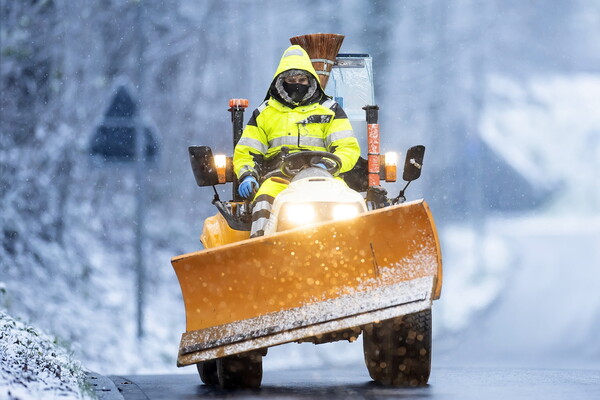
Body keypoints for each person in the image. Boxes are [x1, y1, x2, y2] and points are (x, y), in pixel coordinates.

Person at [233, 45, 360, 237]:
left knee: (352, 200)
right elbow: (247, 152)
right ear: (281, 82)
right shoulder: (265, 113)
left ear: (311, 81)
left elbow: (347, 147)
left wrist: (328, 164)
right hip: (279, 178)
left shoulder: (330, 110)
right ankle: (258, 246)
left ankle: (362, 246)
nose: (297, 84)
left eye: (301, 80)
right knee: (264, 198)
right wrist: (248, 175)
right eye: (291, 80)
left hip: (326, 177)